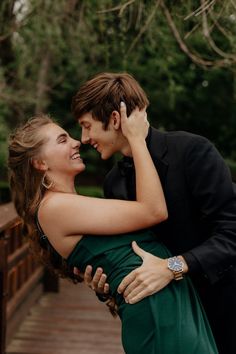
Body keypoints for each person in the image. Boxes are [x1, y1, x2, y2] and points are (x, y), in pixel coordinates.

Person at [8, 108, 218, 354]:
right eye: (63, 140)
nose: (78, 142)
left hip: (166, 300)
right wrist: (136, 138)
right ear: (40, 163)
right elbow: (153, 211)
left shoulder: (69, 204)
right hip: (156, 310)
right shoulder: (54, 207)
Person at [71, 72, 236, 354]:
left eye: (87, 126)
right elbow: (131, 254)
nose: (84, 138)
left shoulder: (193, 151)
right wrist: (105, 285)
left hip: (223, 309)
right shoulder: (114, 182)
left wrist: (172, 266)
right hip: (168, 319)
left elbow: (232, 233)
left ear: (114, 119)